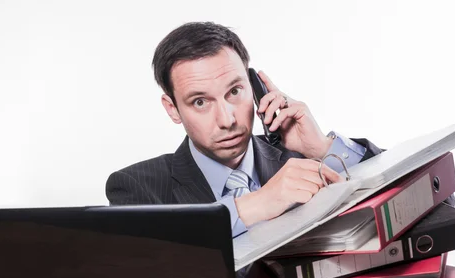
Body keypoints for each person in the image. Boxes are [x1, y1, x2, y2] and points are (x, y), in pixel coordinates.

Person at [105, 21, 383, 238]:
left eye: (235, 91)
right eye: (200, 101)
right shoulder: (136, 187)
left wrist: (322, 149)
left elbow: (407, 198)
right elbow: (147, 271)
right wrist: (253, 206)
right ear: (173, 109)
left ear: (254, 87)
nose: (227, 119)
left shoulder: (301, 157)